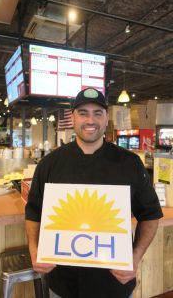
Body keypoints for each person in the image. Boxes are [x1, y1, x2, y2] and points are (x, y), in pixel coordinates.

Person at [25, 87, 163, 298]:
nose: (91, 120)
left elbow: (151, 215)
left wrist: (135, 258)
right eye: (83, 113)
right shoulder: (49, 164)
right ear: (72, 118)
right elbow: (34, 212)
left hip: (113, 284)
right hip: (63, 283)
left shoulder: (130, 163)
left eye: (97, 113)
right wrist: (34, 250)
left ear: (106, 118)